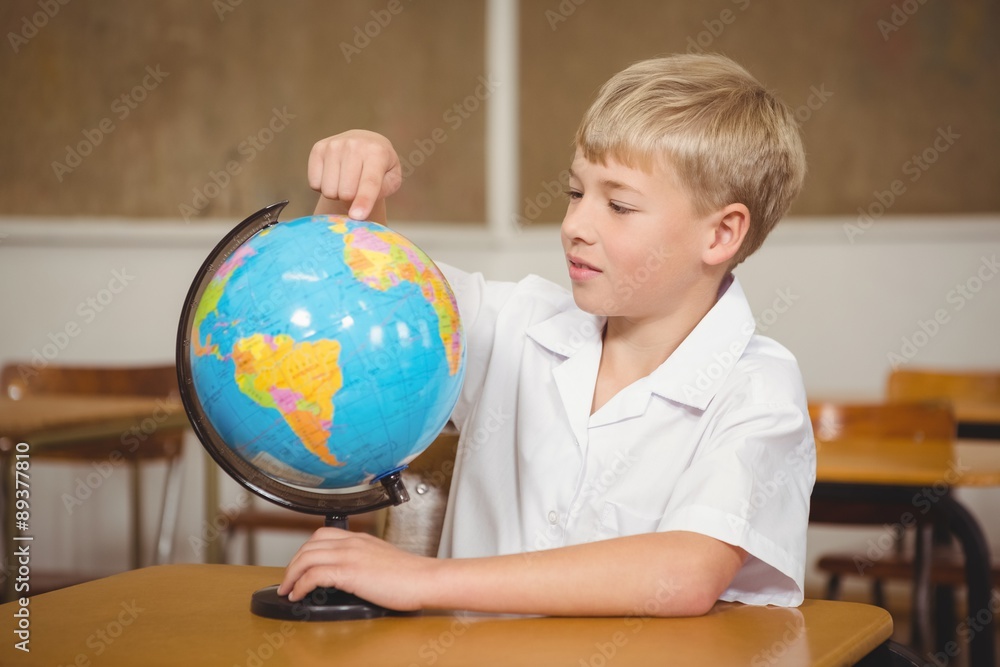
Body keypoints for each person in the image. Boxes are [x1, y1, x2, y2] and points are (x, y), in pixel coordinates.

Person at [278, 53, 815, 617]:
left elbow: (683, 573)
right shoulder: (515, 322)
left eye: (619, 205)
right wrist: (353, 186)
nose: (574, 226)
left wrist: (424, 579)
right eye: (575, 193)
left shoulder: (759, 390)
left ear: (722, 233)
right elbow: (360, 301)